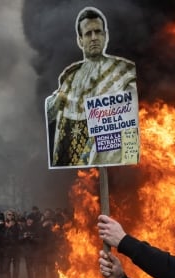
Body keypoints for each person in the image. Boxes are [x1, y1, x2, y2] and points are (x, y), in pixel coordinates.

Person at [45, 6, 137, 167]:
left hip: (111, 157)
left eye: (98, 32)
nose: (94, 37)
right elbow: (52, 113)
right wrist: (56, 101)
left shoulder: (125, 71)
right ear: (80, 40)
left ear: (105, 36)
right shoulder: (69, 77)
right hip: (75, 163)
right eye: (88, 34)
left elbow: (131, 119)